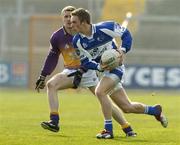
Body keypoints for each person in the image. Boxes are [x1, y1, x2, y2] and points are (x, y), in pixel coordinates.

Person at [35, 6, 137, 137]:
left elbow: (89, 58)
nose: (68, 20)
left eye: (70, 17)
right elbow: (52, 57)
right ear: (62, 19)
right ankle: (54, 121)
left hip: (90, 71)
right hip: (71, 71)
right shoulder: (57, 37)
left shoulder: (83, 34)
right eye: (65, 17)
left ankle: (127, 127)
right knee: (51, 84)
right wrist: (43, 75)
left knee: (103, 98)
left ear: (78, 20)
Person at [70, 8, 168, 139]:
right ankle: (154, 111)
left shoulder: (106, 27)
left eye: (74, 22)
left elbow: (126, 34)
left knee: (100, 92)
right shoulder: (77, 41)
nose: (71, 25)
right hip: (102, 73)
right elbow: (85, 61)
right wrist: (98, 66)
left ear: (84, 22)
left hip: (116, 68)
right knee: (127, 107)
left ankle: (108, 130)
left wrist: (122, 50)